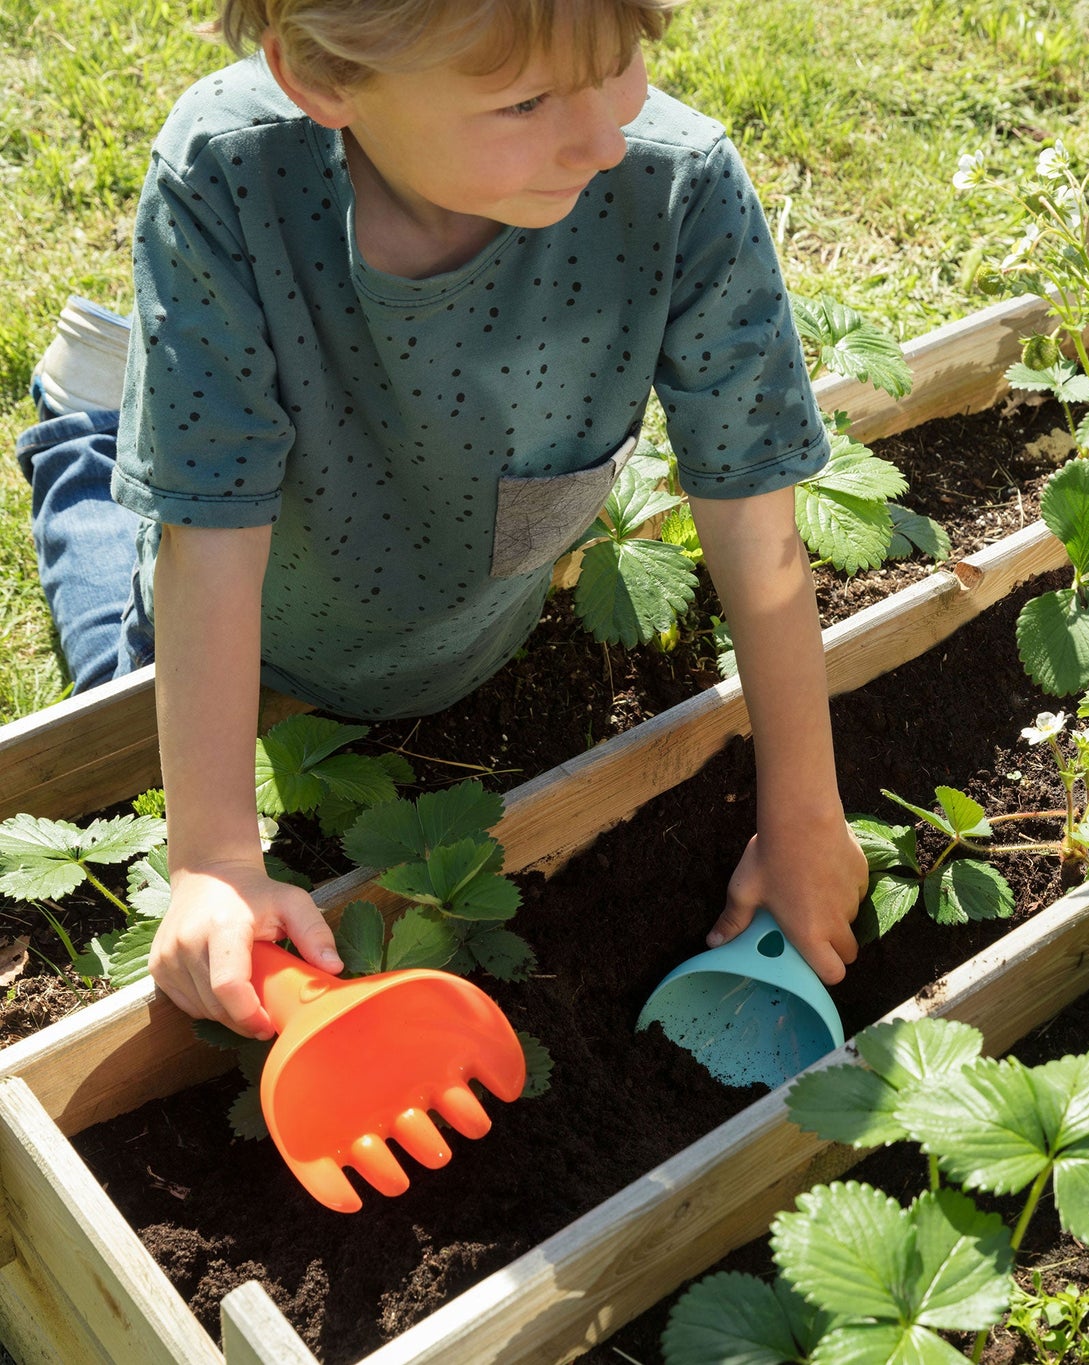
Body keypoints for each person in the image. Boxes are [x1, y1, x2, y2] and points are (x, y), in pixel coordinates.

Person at [14, 0, 870, 1038]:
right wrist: (215, 862)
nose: (602, 137)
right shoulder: (231, 177)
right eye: (522, 101)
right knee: (117, 676)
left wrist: (803, 814)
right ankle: (85, 431)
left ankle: (124, 409)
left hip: (466, 627)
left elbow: (753, 520)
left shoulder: (674, 188)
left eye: (620, 63)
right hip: (259, 628)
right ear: (323, 79)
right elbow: (212, 539)